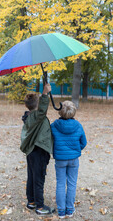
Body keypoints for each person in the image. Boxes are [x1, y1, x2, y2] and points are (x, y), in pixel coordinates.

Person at [20, 83, 55, 216]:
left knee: (32, 177)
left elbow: (41, 111)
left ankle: (32, 201)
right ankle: (40, 207)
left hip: (32, 152)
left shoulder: (29, 116)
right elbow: (43, 110)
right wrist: (45, 93)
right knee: (39, 178)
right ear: (37, 104)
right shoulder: (36, 116)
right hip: (38, 151)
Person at [51, 100, 87, 219]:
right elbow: (83, 142)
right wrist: (76, 150)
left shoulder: (54, 125)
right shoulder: (78, 125)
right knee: (72, 183)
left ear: (60, 112)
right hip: (73, 159)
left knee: (60, 183)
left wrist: (55, 150)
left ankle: (61, 211)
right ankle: (70, 209)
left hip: (60, 159)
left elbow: (50, 140)